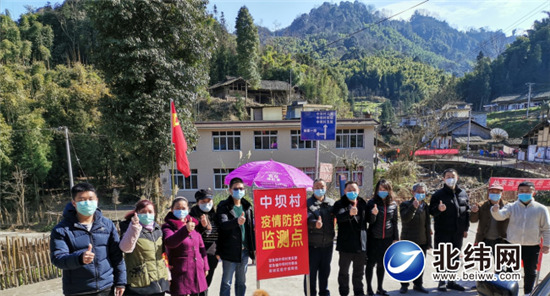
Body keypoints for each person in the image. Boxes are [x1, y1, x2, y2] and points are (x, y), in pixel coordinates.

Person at [50, 182, 126, 296]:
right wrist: (79, 258)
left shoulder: (107, 225)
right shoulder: (61, 230)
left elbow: (116, 255)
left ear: (97, 200)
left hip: (106, 287)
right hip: (78, 290)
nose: (87, 203)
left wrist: (120, 282)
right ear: (74, 203)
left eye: (91, 199)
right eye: (82, 200)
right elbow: (58, 259)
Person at [491, 181, 550, 295]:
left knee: (530, 272)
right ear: (517, 192)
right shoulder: (511, 206)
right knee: (509, 270)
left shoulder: (541, 209)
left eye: (528, 191)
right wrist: (495, 210)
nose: (524, 193)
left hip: (532, 246)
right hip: (512, 244)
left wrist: (547, 244)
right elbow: (501, 216)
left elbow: (546, 228)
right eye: (522, 191)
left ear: (534, 192)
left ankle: (528, 293)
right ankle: (509, 291)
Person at [429, 168, 469, 292]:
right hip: (443, 231)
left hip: (457, 232)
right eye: (448, 176)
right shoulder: (438, 195)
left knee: (455, 257)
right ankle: (441, 282)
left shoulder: (463, 193)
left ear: (457, 178)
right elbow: (431, 211)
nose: (451, 178)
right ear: (444, 179)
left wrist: (465, 228)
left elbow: (466, 212)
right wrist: (438, 209)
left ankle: (451, 281)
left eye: (453, 176)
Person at [119, 199, 170, 296]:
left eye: (150, 212)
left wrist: (168, 275)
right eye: (143, 212)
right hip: (139, 284)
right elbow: (125, 248)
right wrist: (134, 228)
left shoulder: (158, 229)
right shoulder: (128, 227)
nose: (147, 215)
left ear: (154, 213)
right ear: (136, 213)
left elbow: (162, 255)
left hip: (159, 282)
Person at [217, 177, 256, 296]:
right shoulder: (224, 206)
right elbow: (222, 225)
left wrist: (253, 248)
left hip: (244, 252)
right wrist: (236, 222)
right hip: (230, 251)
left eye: (241, 188)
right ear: (230, 190)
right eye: (236, 189)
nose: (239, 191)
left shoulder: (247, 206)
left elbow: (250, 229)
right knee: (226, 283)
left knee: (241, 282)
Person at [163, 197, 209, 296]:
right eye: (178, 208)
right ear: (172, 209)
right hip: (180, 271)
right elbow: (170, 242)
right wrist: (185, 230)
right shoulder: (168, 226)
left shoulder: (193, 223)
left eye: (184, 208)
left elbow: (201, 246)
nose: (181, 210)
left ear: (188, 209)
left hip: (197, 270)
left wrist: (205, 265)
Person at [332, 181, 368, 296]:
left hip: (360, 244)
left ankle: (359, 292)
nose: (352, 192)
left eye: (354, 190)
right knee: (344, 273)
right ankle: (344, 292)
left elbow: (368, 221)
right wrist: (349, 213)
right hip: (346, 245)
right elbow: (339, 217)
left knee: (359, 273)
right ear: (345, 191)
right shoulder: (339, 203)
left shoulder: (362, 203)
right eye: (349, 190)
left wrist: (373, 214)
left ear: (358, 191)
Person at [365, 179, 399, 296]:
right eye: (380, 189)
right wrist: (373, 215)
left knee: (382, 264)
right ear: (377, 190)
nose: (382, 191)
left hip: (387, 239)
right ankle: (369, 288)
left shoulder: (393, 204)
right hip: (373, 238)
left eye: (385, 189)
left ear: (389, 190)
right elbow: (369, 221)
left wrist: (396, 238)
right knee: (370, 264)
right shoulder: (371, 203)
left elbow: (394, 222)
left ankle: (380, 287)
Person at [398, 182, 431, 294]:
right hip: (409, 239)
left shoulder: (426, 206)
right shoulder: (405, 204)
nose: (420, 194)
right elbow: (405, 219)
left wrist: (428, 241)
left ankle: (418, 284)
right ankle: (404, 285)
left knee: (420, 264)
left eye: (423, 192)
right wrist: (413, 207)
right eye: (418, 192)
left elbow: (427, 223)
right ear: (413, 192)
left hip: (422, 239)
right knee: (406, 264)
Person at [305, 179, 335, 296]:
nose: (319, 189)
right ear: (313, 189)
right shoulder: (307, 203)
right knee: (310, 275)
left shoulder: (332, 203)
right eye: (317, 187)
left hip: (328, 245)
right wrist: (314, 224)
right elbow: (304, 220)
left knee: (325, 273)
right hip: (312, 245)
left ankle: (324, 293)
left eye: (322, 187)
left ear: (326, 188)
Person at [190, 189, 219, 295]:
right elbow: (192, 236)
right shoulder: (192, 216)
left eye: (209, 201)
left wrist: (218, 253)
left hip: (212, 255)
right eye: (203, 201)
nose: (207, 204)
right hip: (198, 256)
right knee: (197, 286)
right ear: (197, 202)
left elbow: (220, 235)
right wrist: (202, 227)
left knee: (206, 284)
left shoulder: (215, 216)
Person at [470, 184, 509, 252]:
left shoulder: (507, 206)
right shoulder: (481, 205)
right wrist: (474, 212)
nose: (495, 194)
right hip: (484, 238)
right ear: (489, 193)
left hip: (501, 240)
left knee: (500, 261)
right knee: (483, 261)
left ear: (502, 193)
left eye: (497, 192)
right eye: (492, 192)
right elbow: (473, 220)